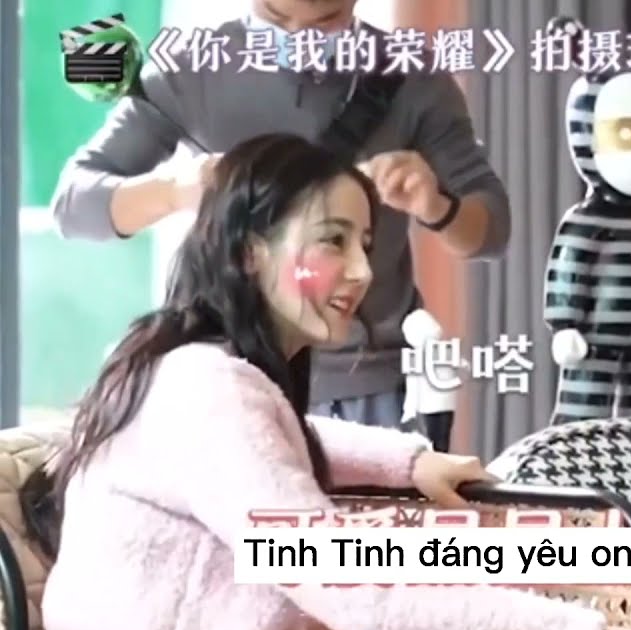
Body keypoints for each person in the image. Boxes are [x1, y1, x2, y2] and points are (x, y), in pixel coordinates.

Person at [26, 134, 631, 630]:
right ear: (250, 252)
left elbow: (274, 443)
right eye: (333, 241)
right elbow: (357, 593)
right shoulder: (211, 393)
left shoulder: (180, 373)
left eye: (365, 244)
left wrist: (408, 462)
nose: (361, 270)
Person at [50, 0, 510, 434]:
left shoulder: (411, 77)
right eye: (276, 16)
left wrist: (437, 206)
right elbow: (73, 204)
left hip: (368, 385)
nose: (299, 37)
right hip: (226, 378)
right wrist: (173, 191)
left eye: (324, 21)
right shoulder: (190, 71)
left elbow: (492, 230)